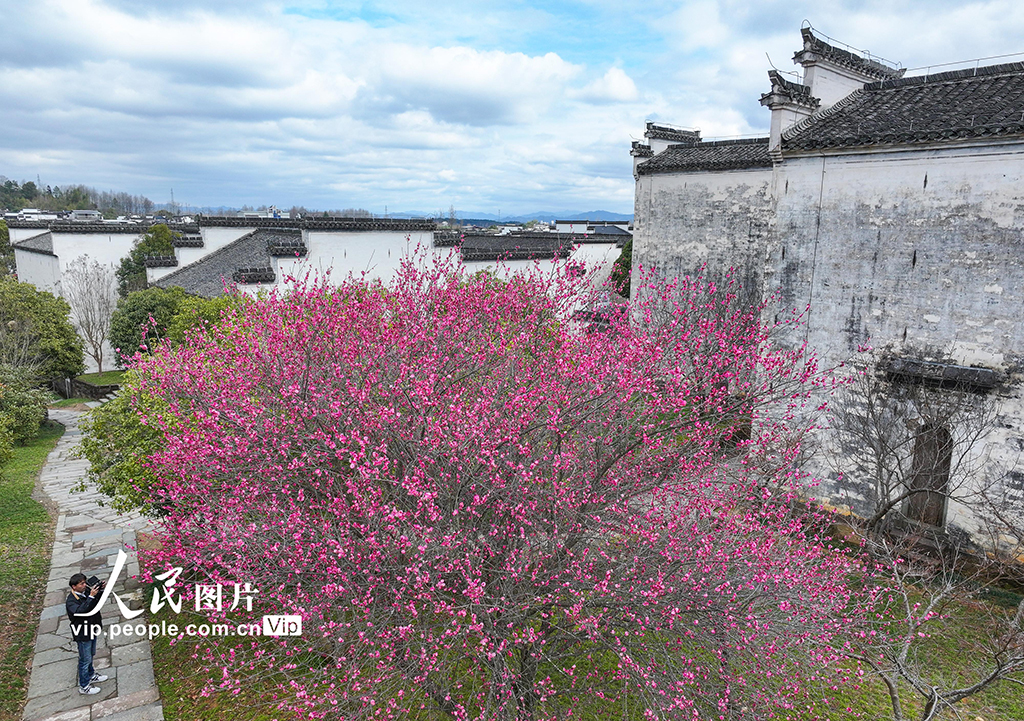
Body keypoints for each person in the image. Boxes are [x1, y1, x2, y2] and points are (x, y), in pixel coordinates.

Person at [66, 573, 109, 695]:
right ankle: (84, 685)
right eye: (81, 584)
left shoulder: (86, 592)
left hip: (92, 628)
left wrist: (100, 591)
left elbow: (96, 602)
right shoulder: (71, 601)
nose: (85, 585)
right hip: (82, 633)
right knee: (85, 659)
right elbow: (81, 611)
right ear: (74, 586)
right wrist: (91, 597)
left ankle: (91, 674)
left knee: (91, 654)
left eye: (85, 582)